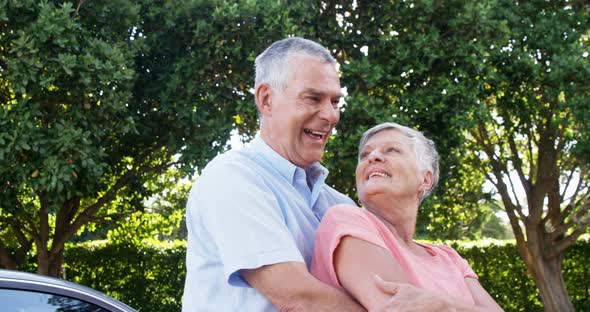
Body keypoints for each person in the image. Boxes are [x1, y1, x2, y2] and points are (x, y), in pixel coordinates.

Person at [181, 37, 368, 311]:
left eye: (335, 101)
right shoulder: (231, 178)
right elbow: (297, 298)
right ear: (266, 99)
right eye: (313, 98)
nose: (330, 115)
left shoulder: (341, 205)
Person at [311, 122, 504, 311]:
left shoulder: (450, 258)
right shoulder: (345, 219)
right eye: (365, 154)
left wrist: (444, 304)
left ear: (425, 179)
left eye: (392, 150)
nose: (373, 157)